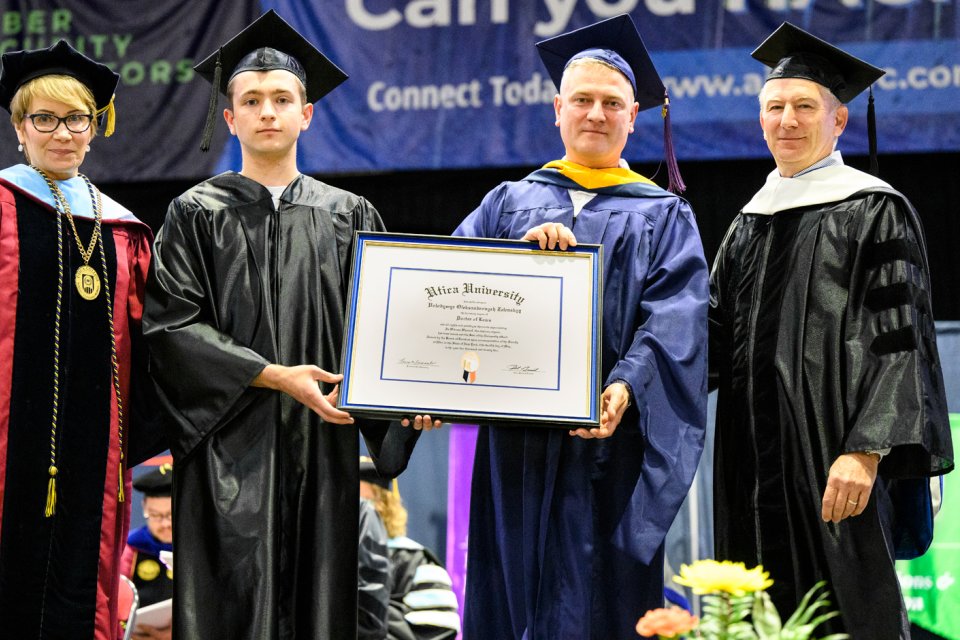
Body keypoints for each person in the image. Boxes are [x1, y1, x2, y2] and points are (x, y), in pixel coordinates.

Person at [142, 11, 420, 640]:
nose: (267, 110)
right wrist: (272, 376)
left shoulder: (351, 216)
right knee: (229, 605)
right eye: (251, 100)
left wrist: (412, 400)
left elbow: (387, 332)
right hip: (224, 457)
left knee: (317, 604)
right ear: (230, 117)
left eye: (282, 99)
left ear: (307, 114)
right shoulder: (193, 215)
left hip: (321, 450)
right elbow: (170, 329)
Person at [446, 15, 709, 639]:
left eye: (611, 103)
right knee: (509, 592)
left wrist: (624, 386)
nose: (596, 113)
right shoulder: (508, 205)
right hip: (518, 449)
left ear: (633, 116)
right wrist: (518, 254)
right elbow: (449, 295)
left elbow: (677, 317)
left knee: (604, 603)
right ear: (557, 109)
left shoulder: (664, 215)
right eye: (583, 100)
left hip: (609, 445)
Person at [709, 22, 954, 639]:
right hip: (749, 464)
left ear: (838, 120)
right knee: (753, 613)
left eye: (804, 106)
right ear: (760, 119)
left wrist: (867, 450)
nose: (787, 119)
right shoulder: (746, 223)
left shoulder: (874, 208)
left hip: (833, 456)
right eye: (774, 107)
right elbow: (705, 341)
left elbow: (903, 343)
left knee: (847, 609)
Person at [0, 41, 163, 640]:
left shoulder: (122, 230)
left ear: (96, 128)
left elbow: (156, 339)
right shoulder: (2, 203)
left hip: (93, 452)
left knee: (78, 587)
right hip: (6, 440)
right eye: (44, 118)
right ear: (20, 128)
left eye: (77, 119)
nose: (61, 132)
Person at [360, 457, 460, 640]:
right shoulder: (325, 558)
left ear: (384, 504)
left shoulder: (415, 562)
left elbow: (438, 630)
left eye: (363, 502)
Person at [120, 460, 174, 640]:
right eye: (156, 515)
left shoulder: (200, 548)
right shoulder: (130, 549)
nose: (165, 524)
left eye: (170, 515)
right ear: (144, 508)